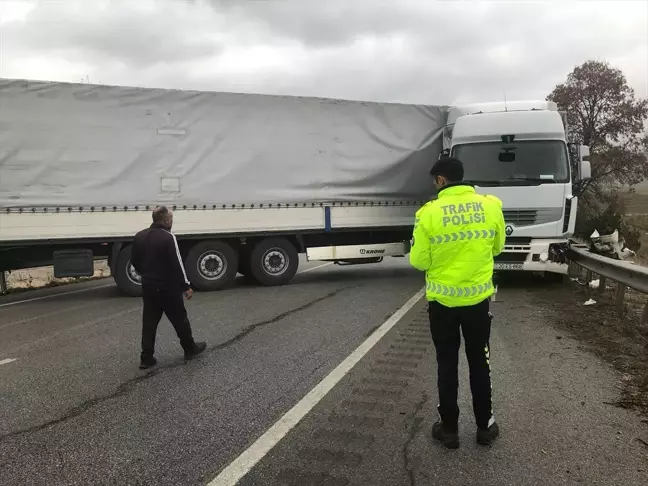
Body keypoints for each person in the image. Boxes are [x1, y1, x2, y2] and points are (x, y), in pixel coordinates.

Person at [409, 157, 505, 449]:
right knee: (480, 361)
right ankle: (485, 427)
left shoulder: (428, 213)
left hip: (442, 304)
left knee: (447, 363)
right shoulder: (491, 206)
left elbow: (418, 260)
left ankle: (449, 429)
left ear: (441, 180)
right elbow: (498, 247)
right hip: (477, 301)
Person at [130, 206, 206, 369]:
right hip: (167, 287)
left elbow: (134, 260)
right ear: (166, 220)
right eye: (171, 218)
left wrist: (146, 273)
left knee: (149, 322)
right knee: (180, 319)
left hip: (148, 286)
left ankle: (146, 357)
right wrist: (186, 286)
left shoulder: (139, 236)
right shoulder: (168, 237)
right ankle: (189, 348)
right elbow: (176, 263)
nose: (172, 221)